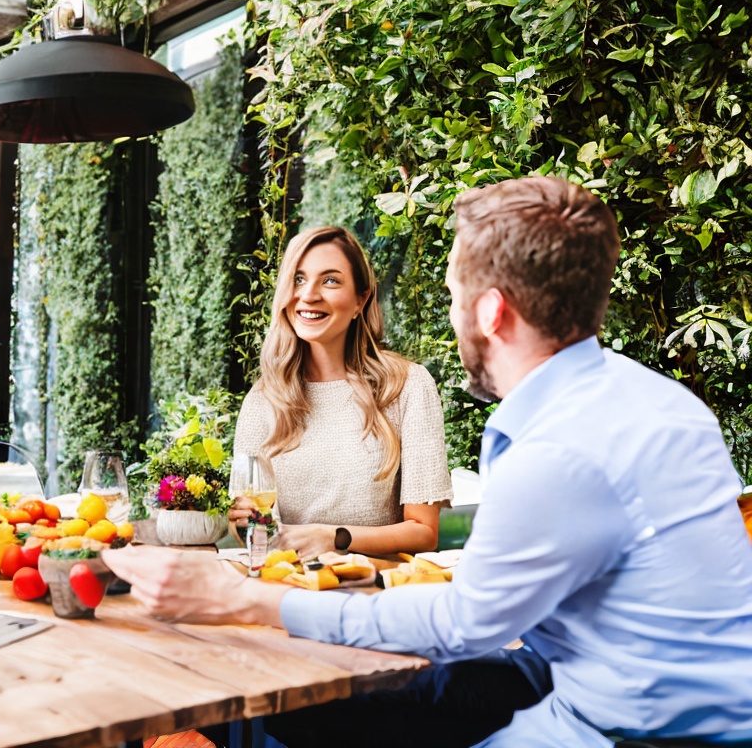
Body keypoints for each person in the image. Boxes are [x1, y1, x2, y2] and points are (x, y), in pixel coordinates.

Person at [105, 176, 752, 747]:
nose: (451, 311)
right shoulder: (661, 403)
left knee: (333, 711)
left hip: (632, 728)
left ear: (492, 312)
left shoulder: (556, 446)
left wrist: (247, 600)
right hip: (604, 677)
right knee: (337, 709)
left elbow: (461, 623)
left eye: (453, 293)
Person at [228, 225, 453, 559]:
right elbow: (246, 527)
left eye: (330, 280)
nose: (308, 295)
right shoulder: (263, 400)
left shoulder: (407, 385)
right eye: (299, 279)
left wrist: (336, 538)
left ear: (361, 299)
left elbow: (424, 531)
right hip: (289, 590)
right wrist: (246, 523)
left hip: (373, 594)